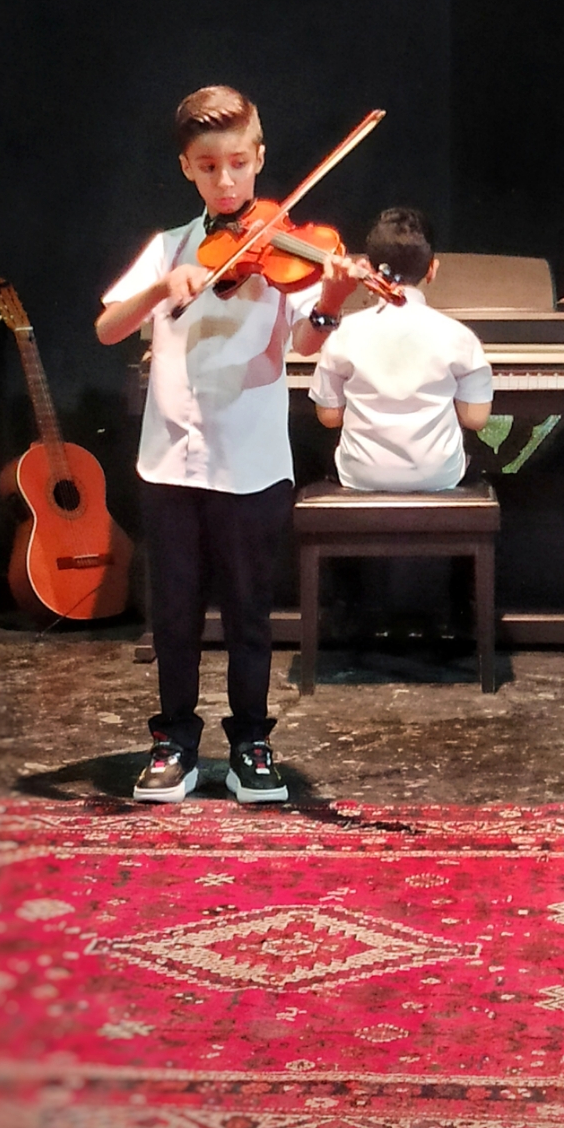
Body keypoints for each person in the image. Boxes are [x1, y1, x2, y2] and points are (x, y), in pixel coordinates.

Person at [95, 85, 359, 804]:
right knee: (173, 613)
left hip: (252, 459)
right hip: (170, 459)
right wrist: (160, 290)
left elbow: (307, 341)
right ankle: (174, 740)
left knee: (248, 612)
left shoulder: (281, 248)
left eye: (239, 163)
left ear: (259, 157)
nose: (227, 181)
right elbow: (108, 328)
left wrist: (332, 300)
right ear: (187, 168)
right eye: (209, 167)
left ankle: (251, 742)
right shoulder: (169, 248)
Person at [308, 207, 493, 489]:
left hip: (360, 475)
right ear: (432, 270)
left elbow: (329, 417)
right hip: (439, 476)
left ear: (368, 268)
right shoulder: (459, 336)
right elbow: (476, 418)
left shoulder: (343, 333)